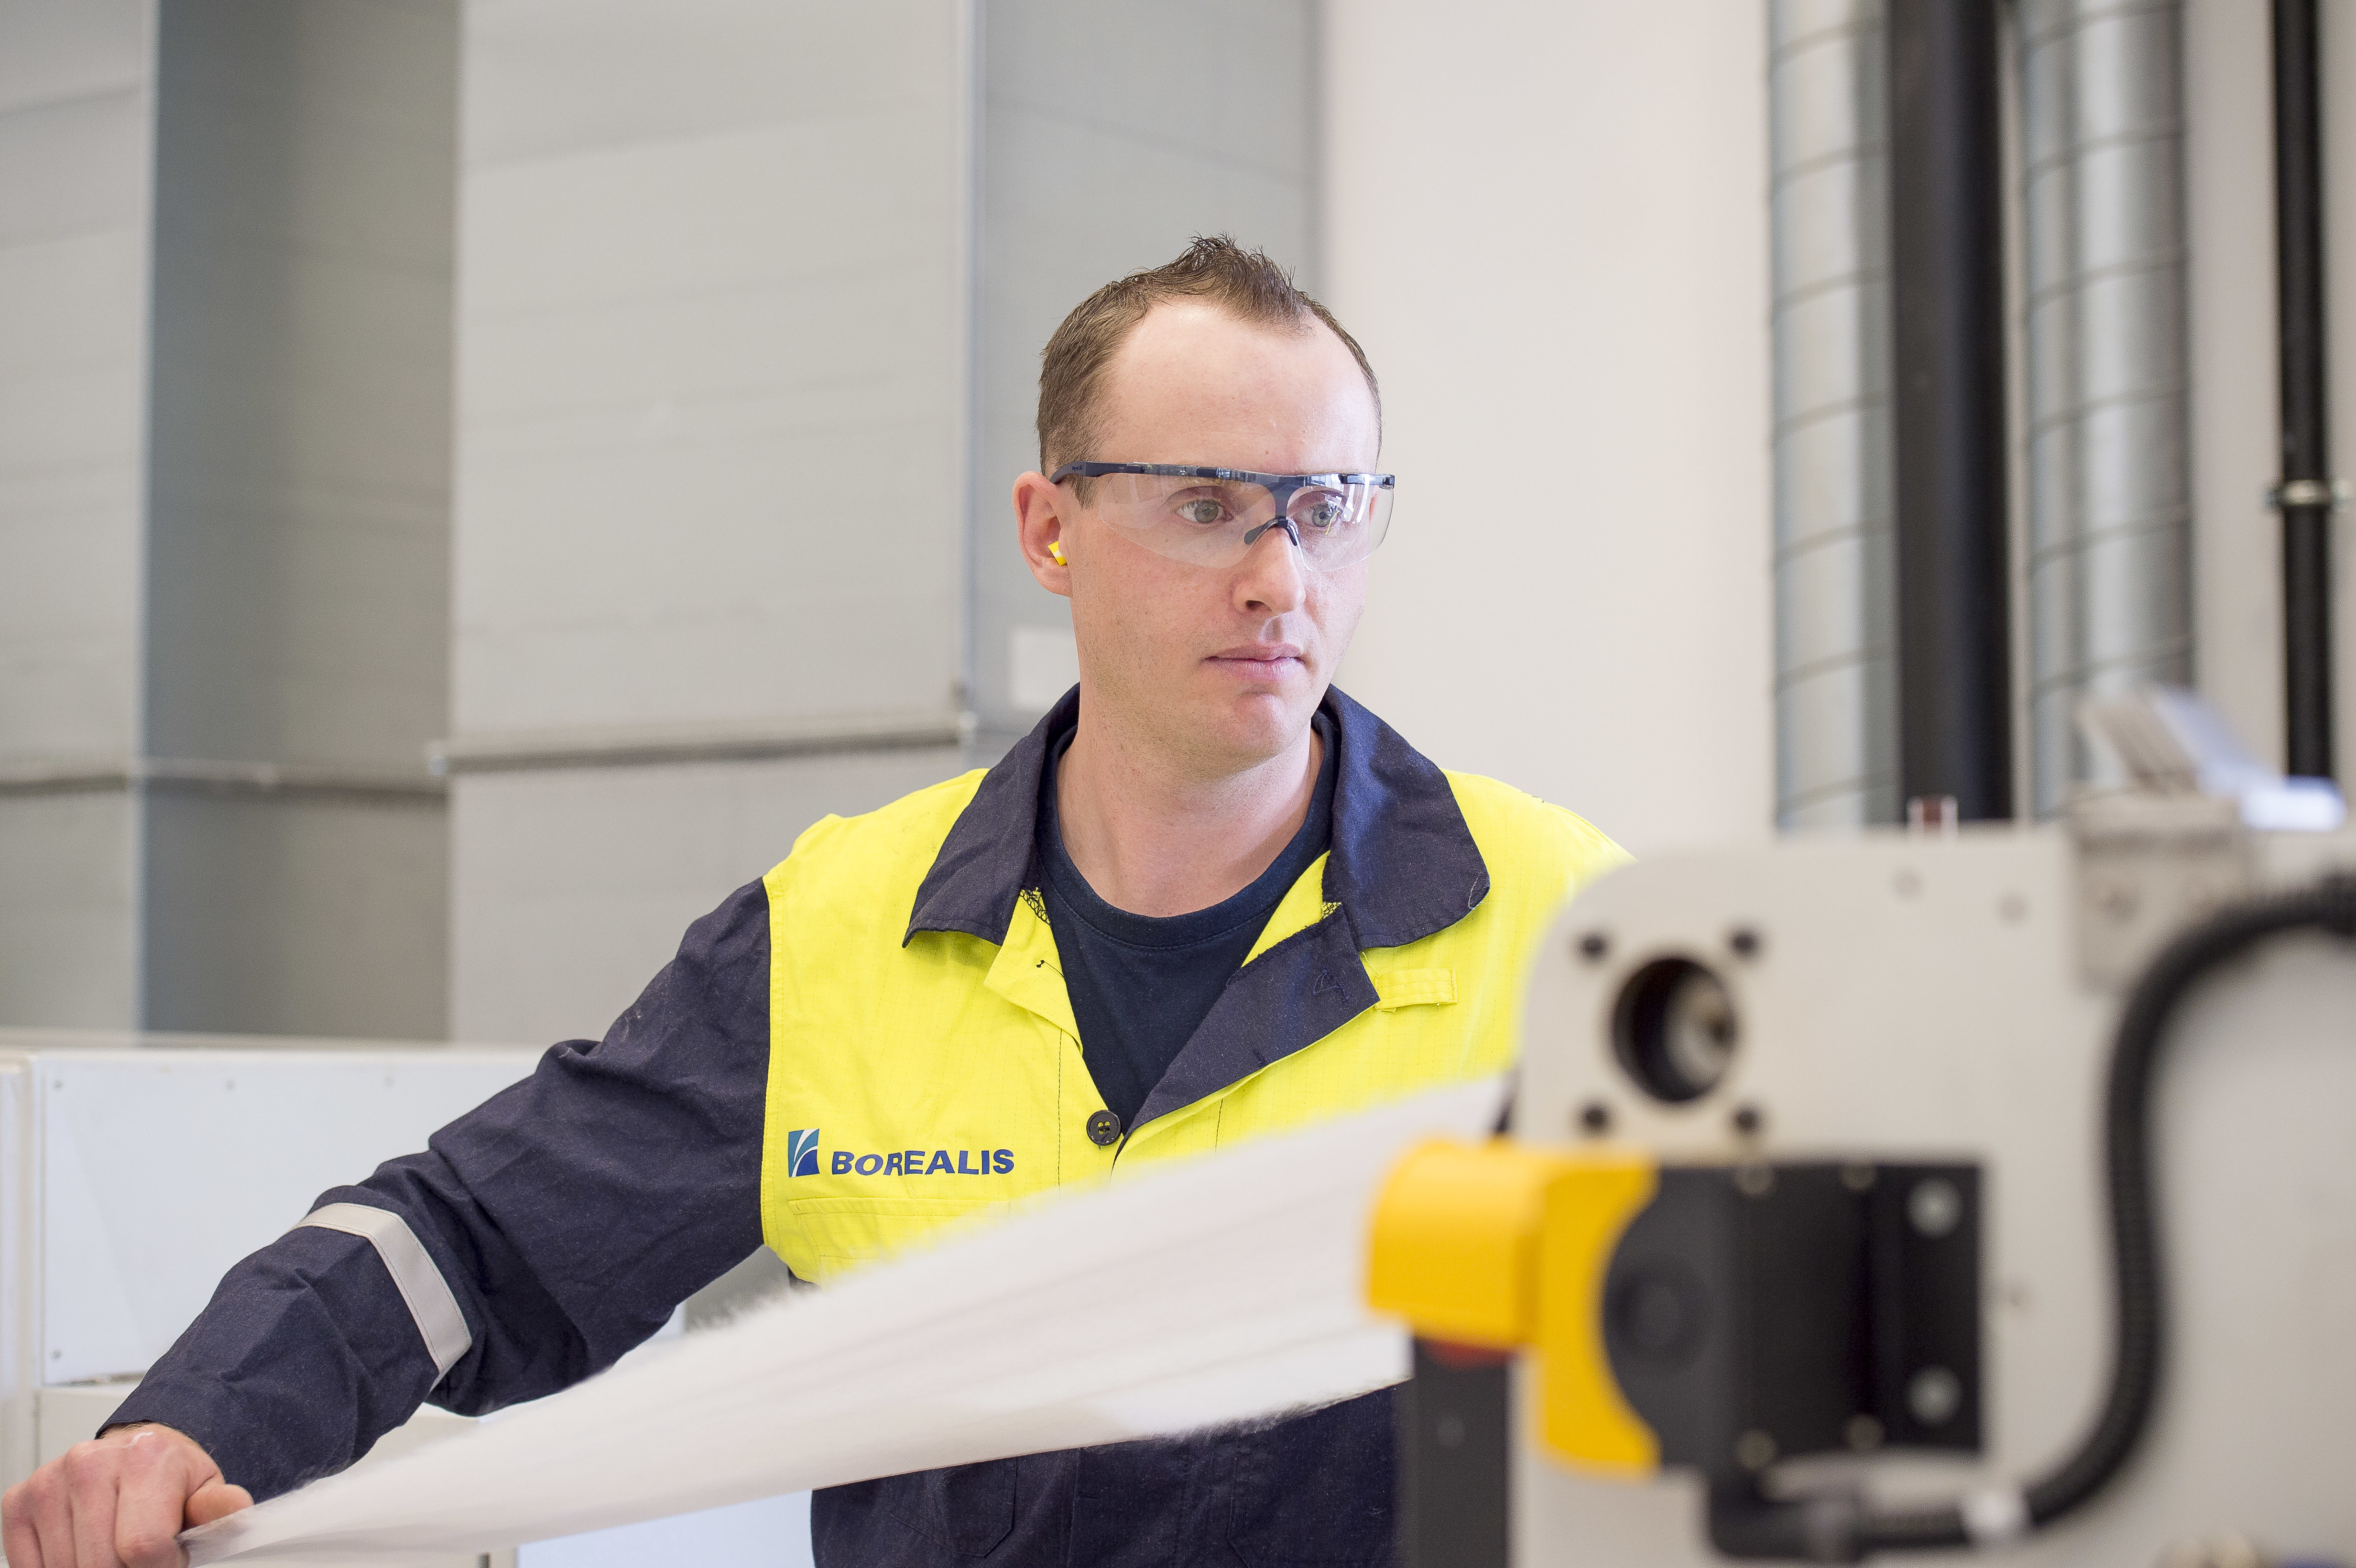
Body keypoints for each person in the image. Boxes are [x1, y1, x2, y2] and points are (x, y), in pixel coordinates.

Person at [2, 237, 1626, 1568]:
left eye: (1327, 509)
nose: (1281, 577)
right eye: (1206, 505)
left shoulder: (1570, 927)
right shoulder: (847, 925)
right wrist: (197, 1422)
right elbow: (478, 1239)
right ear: (1050, 530)